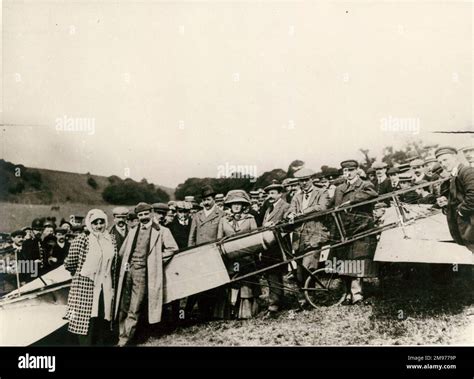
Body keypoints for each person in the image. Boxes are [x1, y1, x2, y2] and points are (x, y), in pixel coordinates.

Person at [115, 202, 178, 346]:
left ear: (151, 213)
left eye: (145, 214)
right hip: (128, 271)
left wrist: (155, 259)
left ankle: (125, 340)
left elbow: (173, 248)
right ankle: (121, 334)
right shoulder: (133, 230)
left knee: (135, 306)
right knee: (124, 304)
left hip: (143, 273)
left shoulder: (162, 231)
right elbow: (122, 252)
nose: (143, 217)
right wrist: (127, 263)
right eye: (140, 215)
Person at [64, 209, 117, 345]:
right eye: (95, 223)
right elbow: (70, 263)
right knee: (86, 320)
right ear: (89, 224)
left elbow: (113, 263)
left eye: (101, 222)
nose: (99, 226)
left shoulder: (110, 239)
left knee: (102, 317)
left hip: (105, 285)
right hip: (85, 286)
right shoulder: (82, 239)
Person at [331, 159, 378, 305]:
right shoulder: (340, 188)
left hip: (360, 227)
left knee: (356, 260)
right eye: (345, 171)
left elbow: (373, 194)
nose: (348, 174)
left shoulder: (365, 185)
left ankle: (357, 294)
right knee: (343, 261)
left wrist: (352, 201)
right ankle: (347, 294)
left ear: (357, 170)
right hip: (342, 229)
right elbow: (334, 206)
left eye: (351, 170)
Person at [286, 167, 330, 305]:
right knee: (299, 269)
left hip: (314, 234)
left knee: (309, 266)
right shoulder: (296, 196)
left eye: (306, 180)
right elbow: (290, 210)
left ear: (312, 179)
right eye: (301, 181)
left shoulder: (322, 192)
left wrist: (302, 212)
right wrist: (291, 214)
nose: (303, 183)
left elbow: (321, 208)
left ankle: (310, 296)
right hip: (299, 237)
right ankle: (303, 298)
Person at [217, 190, 259, 319]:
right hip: (230, 257)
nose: (236, 206)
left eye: (239, 204)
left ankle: (245, 311)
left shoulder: (250, 219)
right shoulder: (224, 220)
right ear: (229, 206)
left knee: (246, 281)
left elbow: (256, 237)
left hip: (246, 257)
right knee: (232, 282)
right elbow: (219, 239)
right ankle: (230, 311)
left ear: (243, 206)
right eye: (233, 204)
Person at [186, 186, 225, 319]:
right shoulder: (197, 215)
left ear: (214, 199)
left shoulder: (221, 214)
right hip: (198, 254)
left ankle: (212, 311)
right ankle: (202, 311)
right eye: (204, 200)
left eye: (208, 199)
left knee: (213, 281)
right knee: (200, 282)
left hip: (212, 253)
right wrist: (190, 252)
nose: (206, 203)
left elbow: (220, 236)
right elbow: (192, 236)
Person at [435, 146, 474, 253]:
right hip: (466, 225)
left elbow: (473, 195)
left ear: (455, 157)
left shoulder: (467, 171)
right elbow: (459, 197)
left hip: (470, 223)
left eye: (445, 160)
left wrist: (461, 212)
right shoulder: (454, 175)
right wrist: (446, 201)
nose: (443, 164)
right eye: (440, 162)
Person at [260, 181, 290, 315]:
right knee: (271, 275)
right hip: (268, 246)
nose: (270, 196)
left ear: (280, 193)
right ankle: (277, 301)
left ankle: (275, 304)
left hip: (278, 245)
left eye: (273, 193)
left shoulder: (285, 206)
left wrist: (276, 224)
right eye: (268, 193)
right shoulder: (268, 208)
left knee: (274, 274)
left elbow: (287, 223)